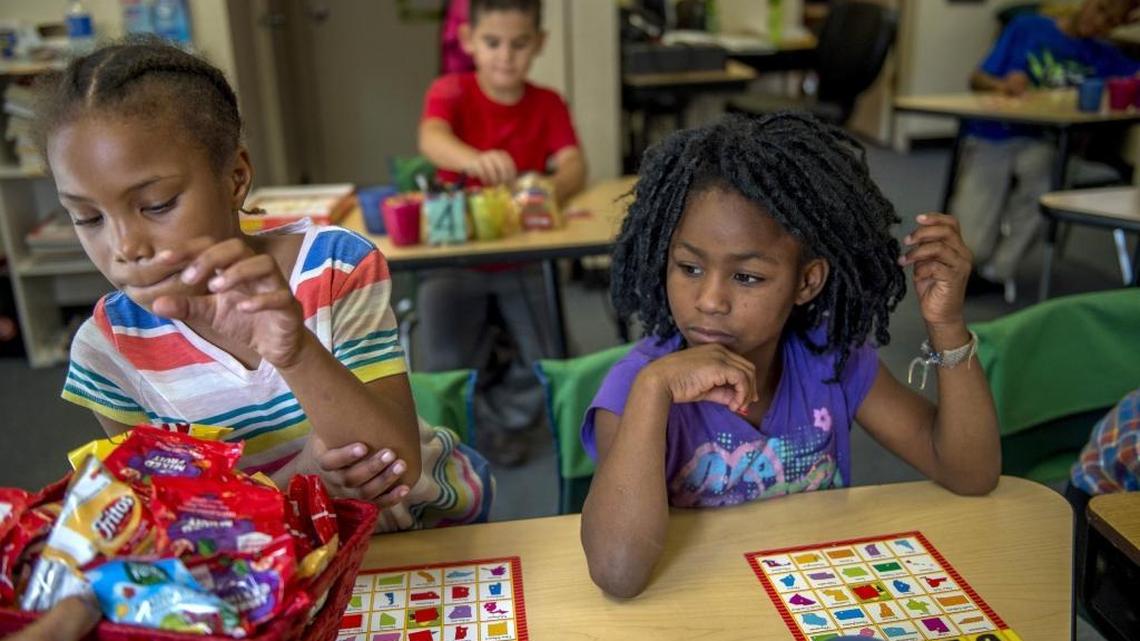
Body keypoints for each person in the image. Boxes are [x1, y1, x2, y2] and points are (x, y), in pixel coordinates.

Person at [38, 40, 492, 532]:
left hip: (416, 534)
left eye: (157, 204)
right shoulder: (109, 348)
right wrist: (302, 481)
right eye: (87, 217)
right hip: (270, 561)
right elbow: (166, 522)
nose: (125, 245)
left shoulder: (333, 267)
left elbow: (393, 467)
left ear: (235, 177)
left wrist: (296, 350)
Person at [579, 114, 1001, 598]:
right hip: (698, 613)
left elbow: (970, 472)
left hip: (810, 604)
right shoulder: (635, 387)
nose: (710, 300)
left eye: (747, 277)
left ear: (807, 282)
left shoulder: (831, 361)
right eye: (689, 267)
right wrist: (653, 391)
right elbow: (617, 571)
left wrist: (946, 325)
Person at [417, 0, 587, 465]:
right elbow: (431, 137)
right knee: (443, 363)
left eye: (519, 44)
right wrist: (472, 159)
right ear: (469, 40)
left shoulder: (548, 102)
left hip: (525, 259)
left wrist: (551, 188)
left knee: (550, 359)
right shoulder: (450, 91)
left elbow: (574, 164)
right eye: (493, 42)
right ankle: (460, 434)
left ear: (539, 45)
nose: (505, 55)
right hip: (455, 261)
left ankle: (505, 423)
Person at [952, 0, 1140, 303]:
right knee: (973, 245)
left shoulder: (1104, 55)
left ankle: (998, 272)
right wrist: (1001, 86)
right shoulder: (1028, 27)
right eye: (1101, 11)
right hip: (994, 133)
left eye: (1111, 22)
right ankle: (981, 260)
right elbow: (977, 79)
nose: (1099, 23)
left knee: (1047, 184)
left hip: (1041, 140)